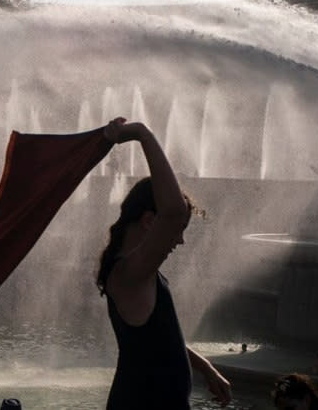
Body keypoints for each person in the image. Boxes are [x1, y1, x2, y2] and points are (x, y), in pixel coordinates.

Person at [97, 117, 231, 409]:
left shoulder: (137, 272)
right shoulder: (128, 274)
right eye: (179, 230)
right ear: (148, 221)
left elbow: (158, 344)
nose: (179, 241)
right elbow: (172, 210)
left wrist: (204, 366)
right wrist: (143, 133)